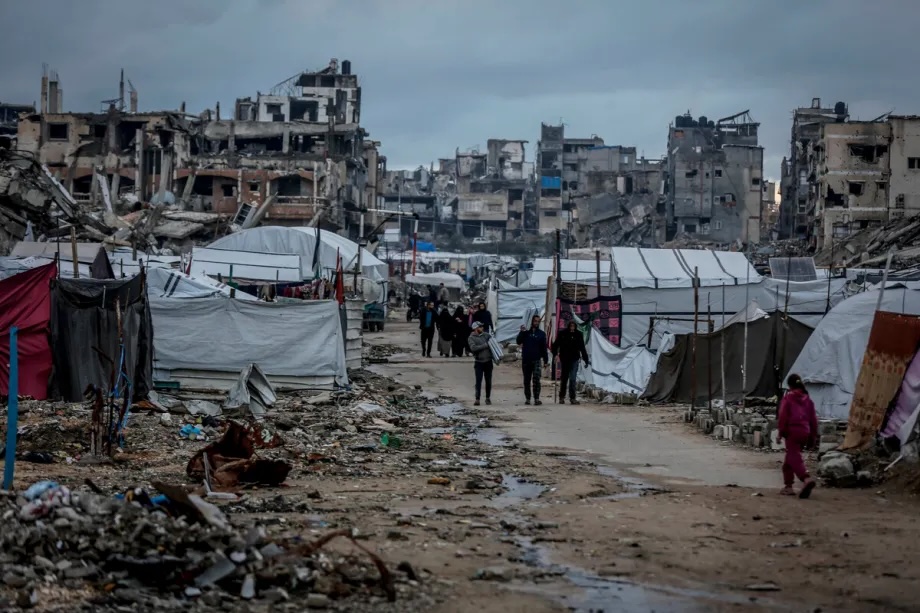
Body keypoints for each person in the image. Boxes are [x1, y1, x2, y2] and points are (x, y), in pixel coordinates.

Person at [778, 373, 819, 499]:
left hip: (792, 430)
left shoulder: (788, 398)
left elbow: (783, 416)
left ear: (790, 386)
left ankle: (805, 478)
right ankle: (788, 486)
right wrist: (813, 437)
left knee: (793, 456)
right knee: (790, 457)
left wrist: (780, 432)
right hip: (805, 431)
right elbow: (813, 420)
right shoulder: (808, 400)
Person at [552, 320, 590, 404]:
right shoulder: (563, 334)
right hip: (565, 359)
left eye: (573, 326)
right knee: (564, 378)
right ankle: (562, 396)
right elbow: (555, 345)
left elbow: (582, 348)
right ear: (568, 326)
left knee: (573, 378)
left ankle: (572, 398)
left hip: (574, 359)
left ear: (575, 327)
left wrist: (586, 359)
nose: (572, 327)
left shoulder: (578, 334)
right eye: (571, 326)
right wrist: (555, 354)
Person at [516, 315, 548, 405]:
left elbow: (544, 348)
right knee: (527, 380)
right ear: (531, 322)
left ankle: (536, 398)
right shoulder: (526, 333)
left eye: (538, 321)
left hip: (536, 359)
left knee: (536, 380)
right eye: (535, 321)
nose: (536, 323)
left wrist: (545, 360)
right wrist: (521, 332)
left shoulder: (541, 334)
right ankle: (528, 398)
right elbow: (518, 341)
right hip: (526, 360)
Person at [467, 321, 493, 406]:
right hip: (479, 362)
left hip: (488, 361)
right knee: (478, 381)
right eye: (480, 327)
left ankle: (488, 398)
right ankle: (477, 398)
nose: (482, 328)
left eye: (482, 326)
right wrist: (485, 345)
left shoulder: (486, 335)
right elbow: (473, 348)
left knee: (488, 381)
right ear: (476, 328)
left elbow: (493, 342)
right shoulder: (471, 338)